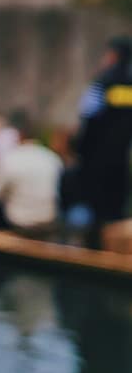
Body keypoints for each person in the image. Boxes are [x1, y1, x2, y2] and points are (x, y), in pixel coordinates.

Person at [63, 37, 132, 234]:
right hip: (120, 160)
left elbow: (87, 114)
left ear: (113, 56)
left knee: (93, 214)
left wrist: (78, 148)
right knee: (114, 212)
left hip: (95, 160)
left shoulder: (102, 83)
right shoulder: (129, 85)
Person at [0, 110, 62, 233]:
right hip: (49, 221)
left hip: (20, 224)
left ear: (19, 135)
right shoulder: (53, 159)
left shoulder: (11, 159)